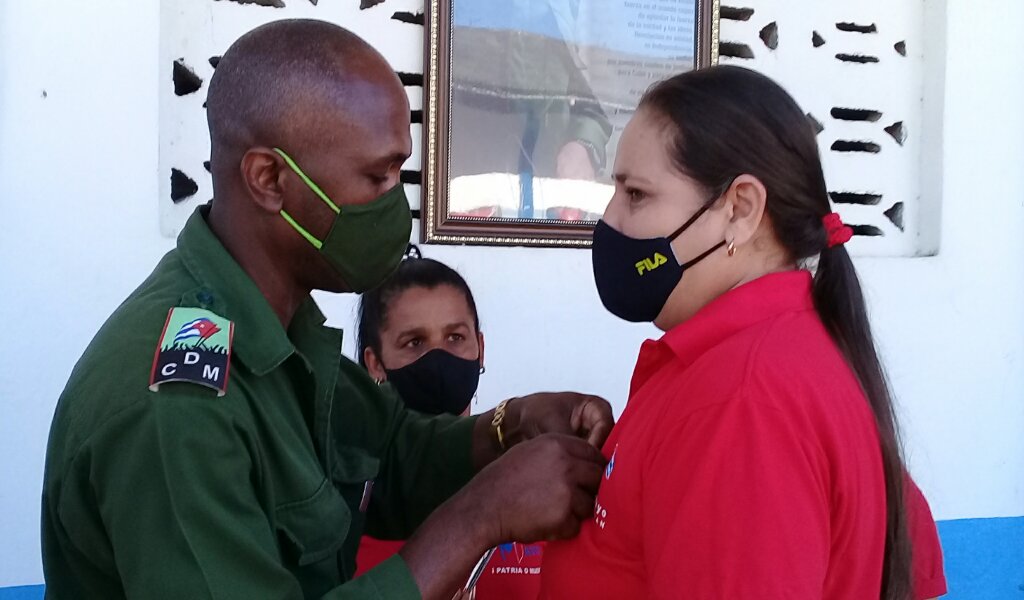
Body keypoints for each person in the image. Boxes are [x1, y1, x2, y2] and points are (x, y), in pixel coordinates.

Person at [40, 20, 614, 600]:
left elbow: (390, 458)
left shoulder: (272, 335)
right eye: (377, 175)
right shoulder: (177, 406)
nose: (397, 204)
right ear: (270, 179)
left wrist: (509, 426)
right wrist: (481, 518)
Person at [538, 65, 943, 599]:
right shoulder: (784, 353)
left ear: (741, 210)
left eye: (636, 195)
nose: (610, 221)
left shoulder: (740, 397)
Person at [352, 249, 544, 599]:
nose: (438, 358)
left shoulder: (530, 478)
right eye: (415, 342)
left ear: (480, 348)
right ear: (375, 363)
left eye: (455, 337)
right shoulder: (347, 496)